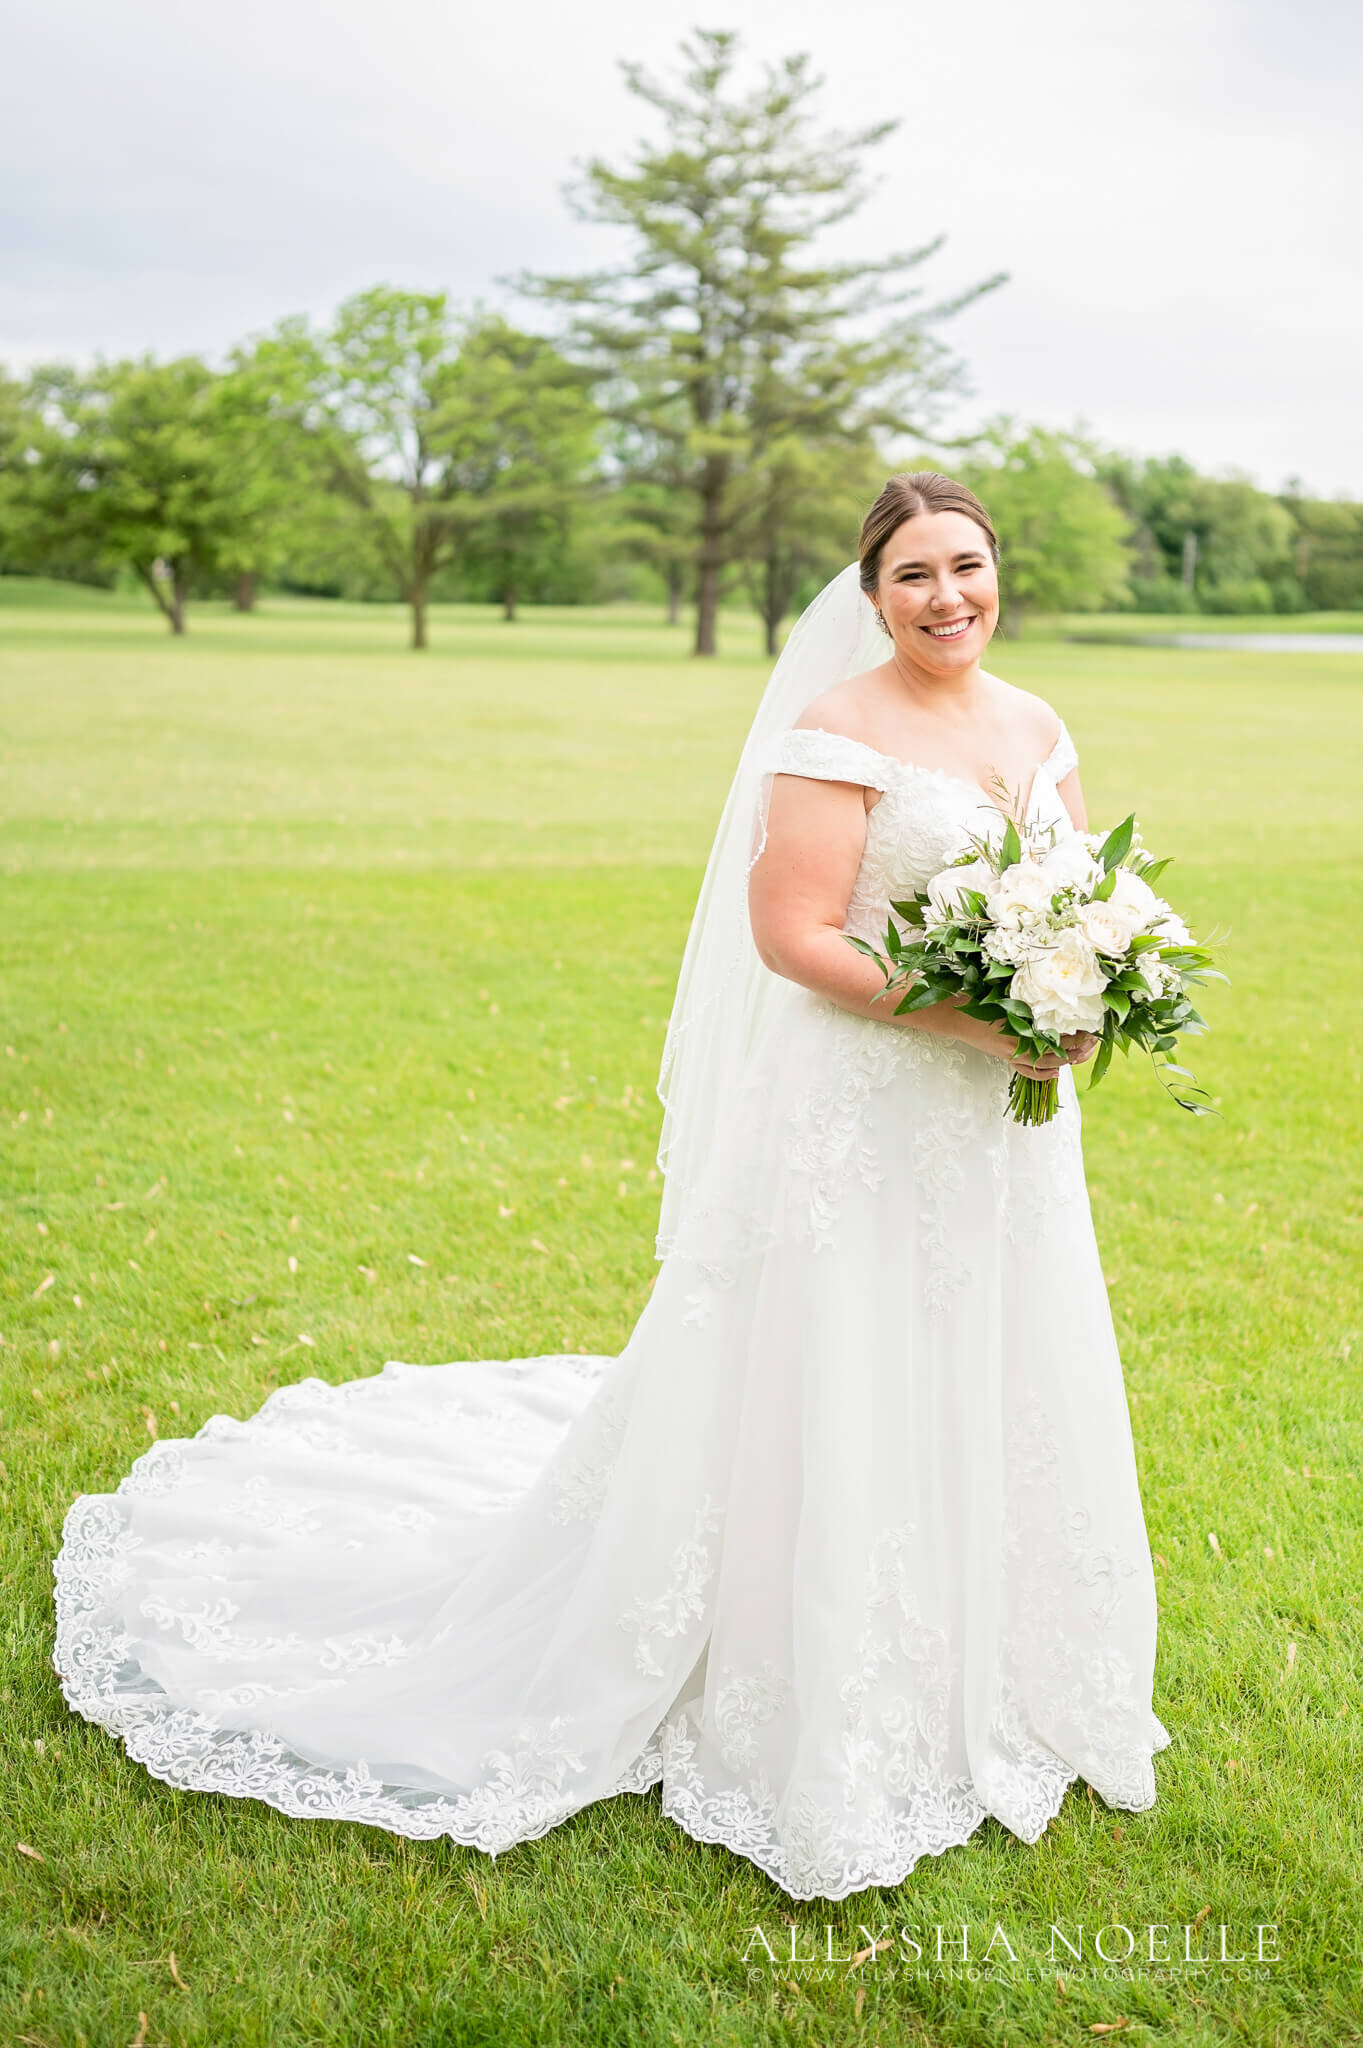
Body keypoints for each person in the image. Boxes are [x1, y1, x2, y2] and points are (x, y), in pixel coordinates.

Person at [53, 471, 1170, 1904]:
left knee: (983, 1353)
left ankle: (994, 1660)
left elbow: (1075, 895)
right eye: (913, 576)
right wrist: (972, 1016)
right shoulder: (837, 731)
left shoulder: (1039, 726)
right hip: (865, 1109)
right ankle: (813, 1674)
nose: (948, 596)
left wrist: (1083, 994)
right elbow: (793, 937)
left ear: (996, 569)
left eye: (968, 565)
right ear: (870, 595)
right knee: (835, 1360)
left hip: (1000, 1128)